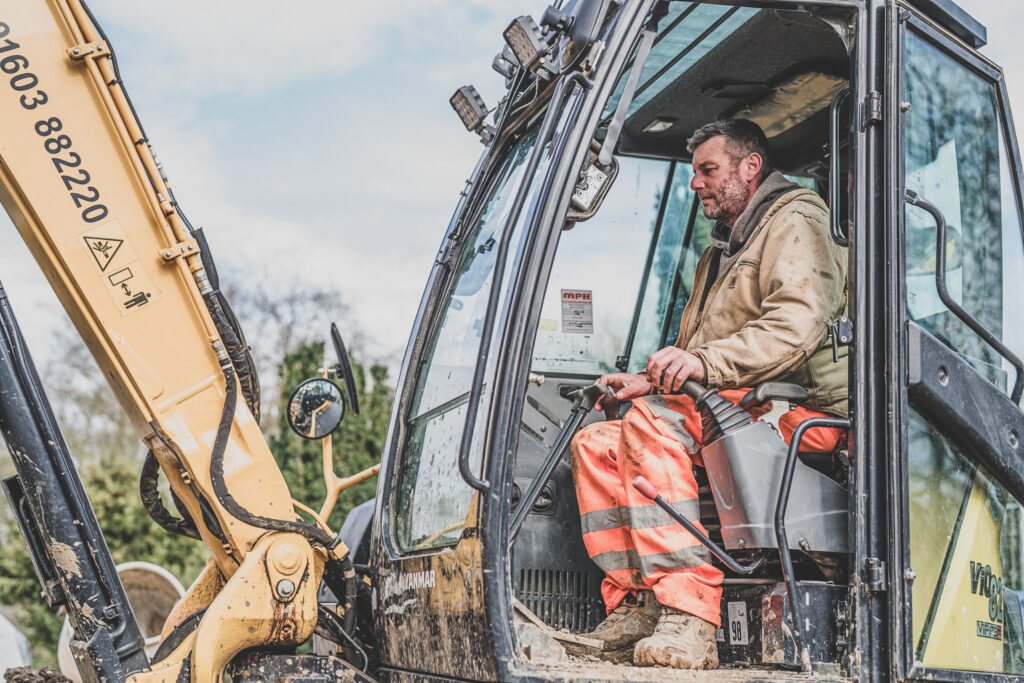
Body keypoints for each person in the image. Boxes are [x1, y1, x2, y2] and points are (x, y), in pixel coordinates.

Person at [570, 119, 848, 669]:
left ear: (751, 167)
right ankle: (642, 602)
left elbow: (797, 325)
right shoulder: (723, 249)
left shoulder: (796, 220)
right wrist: (649, 380)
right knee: (597, 443)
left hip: (797, 404)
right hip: (737, 397)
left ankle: (690, 615)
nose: (695, 183)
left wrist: (698, 365)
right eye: (694, 172)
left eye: (708, 170)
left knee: (651, 423)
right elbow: (698, 348)